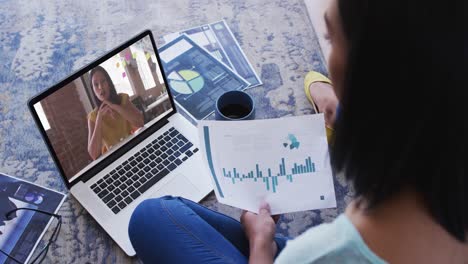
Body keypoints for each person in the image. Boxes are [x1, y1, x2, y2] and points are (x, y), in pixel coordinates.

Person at [127, 0, 467, 263]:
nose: (328, 57)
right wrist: (333, 99)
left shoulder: (320, 253)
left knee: (150, 218)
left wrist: (262, 246)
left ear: (368, 76)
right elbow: (315, 80)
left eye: (331, 39)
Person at [87, 66, 144, 160]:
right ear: (93, 90)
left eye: (103, 81)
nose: (100, 87)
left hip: (133, 150)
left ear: (109, 83)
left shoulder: (123, 99)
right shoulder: (93, 116)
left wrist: (115, 107)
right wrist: (99, 118)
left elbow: (140, 122)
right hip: (114, 159)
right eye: (96, 85)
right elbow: (93, 154)